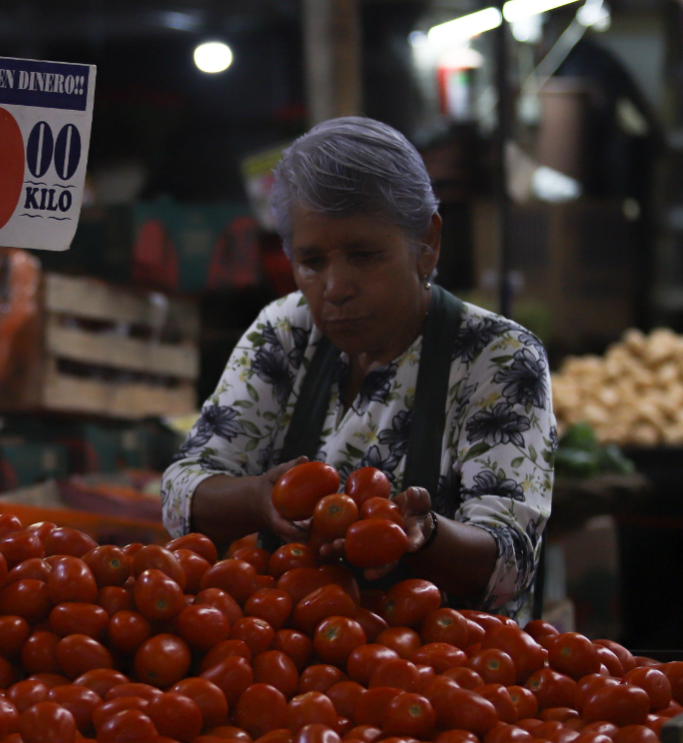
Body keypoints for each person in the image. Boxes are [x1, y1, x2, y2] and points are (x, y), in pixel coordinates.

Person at [161, 117, 555, 618]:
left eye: (364, 255)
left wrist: (426, 534)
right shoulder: (286, 330)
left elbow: (510, 563)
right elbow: (181, 489)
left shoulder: (497, 356)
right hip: (289, 664)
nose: (335, 286)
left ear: (427, 243)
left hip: (444, 670)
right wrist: (258, 499)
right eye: (312, 261)